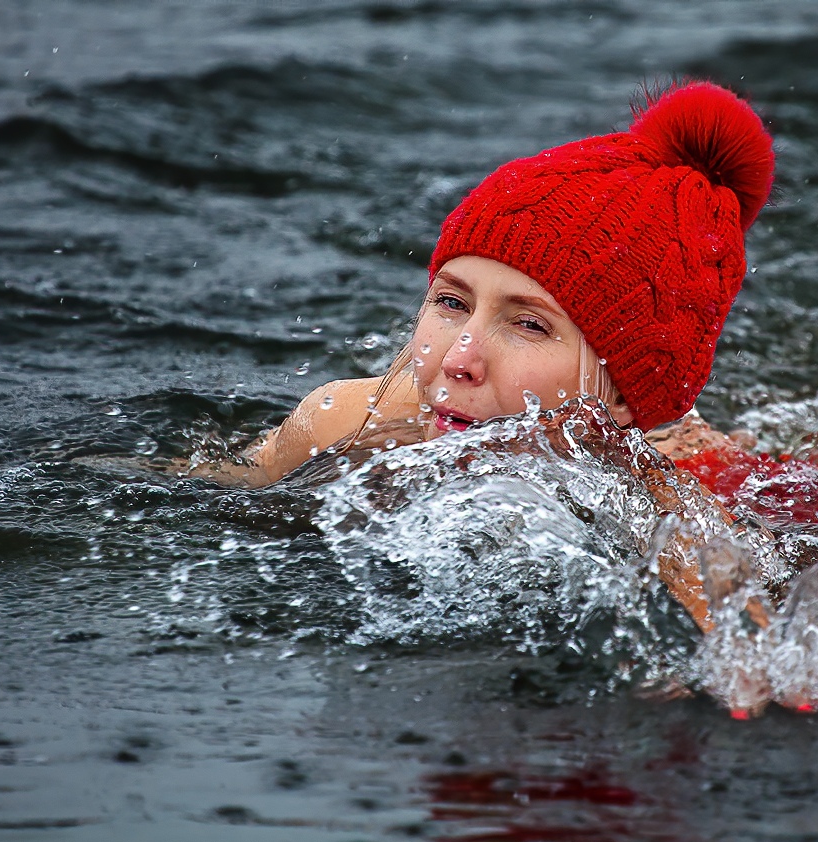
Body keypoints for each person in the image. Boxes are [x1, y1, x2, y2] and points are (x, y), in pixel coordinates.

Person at [190, 80, 778, 633]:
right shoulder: (339, 428)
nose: (458, 359)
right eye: (451, 302)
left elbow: (760, 662)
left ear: (623, 394)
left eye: (527, 324)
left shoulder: (675, 528)